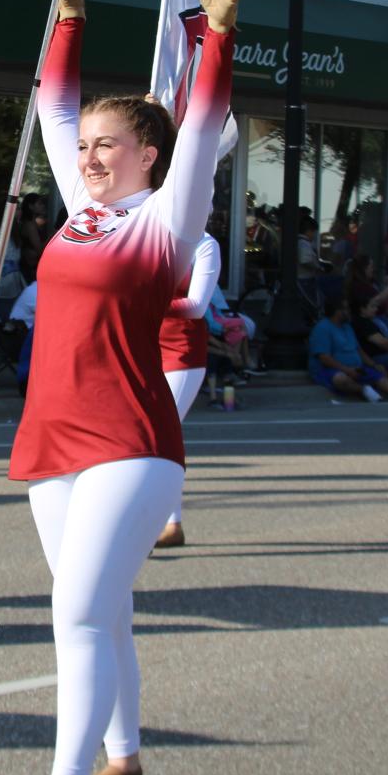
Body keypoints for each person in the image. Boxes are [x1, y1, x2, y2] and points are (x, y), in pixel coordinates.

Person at [6, 0, 238, 775]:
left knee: (75, 610)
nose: (90, 155)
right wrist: (69, 17)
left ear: (150, 156)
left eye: (109, 145)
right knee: (103, 610)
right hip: (52, 437)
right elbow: (49, 106)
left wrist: (216, 36)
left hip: (132, 442)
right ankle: (125, 760)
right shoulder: (80, 211)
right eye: (86, 146)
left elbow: (206, 117)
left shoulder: (165, 219)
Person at [154, 233, 221, 551]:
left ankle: (169, 523)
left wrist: (143, 302)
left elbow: (195, 306)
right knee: (151, 437)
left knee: (160, 435)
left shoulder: (205, 244)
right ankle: (164, 522)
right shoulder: (148, 235)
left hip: (181, 351)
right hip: (144, 348)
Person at [309, 296, 388, 402]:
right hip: (331, 370)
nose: (349, 311)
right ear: (337, 311)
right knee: (340, 379)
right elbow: (324, 358)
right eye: (346, 309)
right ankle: (363, 389)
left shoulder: (347, 327)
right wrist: (347, 370)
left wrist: (374, 364)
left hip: (356, 367)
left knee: (379, 376)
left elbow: (358, 350)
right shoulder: (323, 328)